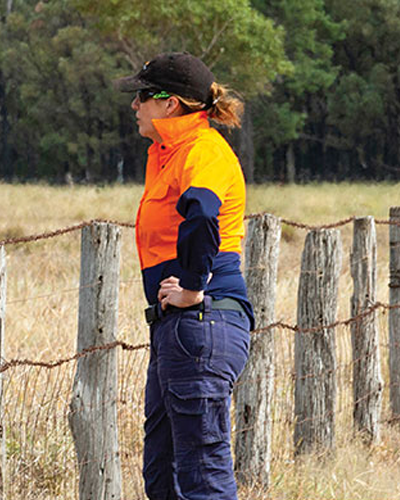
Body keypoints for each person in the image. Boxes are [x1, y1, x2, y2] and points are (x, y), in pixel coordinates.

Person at [116, 52, 252, 500]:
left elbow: (203, 214)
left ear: (170, 103)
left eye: (141, 96)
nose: (134, 105)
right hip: (179, 328)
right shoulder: (168, 153)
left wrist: (194, 287)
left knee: (202, 479)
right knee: (165, 475)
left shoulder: (203, 151)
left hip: (201, 323)